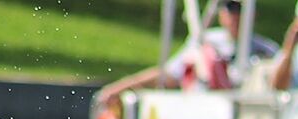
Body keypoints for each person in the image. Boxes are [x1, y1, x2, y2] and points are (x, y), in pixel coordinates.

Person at [97, 0, 279, 107]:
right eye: (230, 8)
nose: (236, 16)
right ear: (221, 13)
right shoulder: (203, 42)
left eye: (241, 9)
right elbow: (168, 75)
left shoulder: (268, 51)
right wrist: (119, 88)